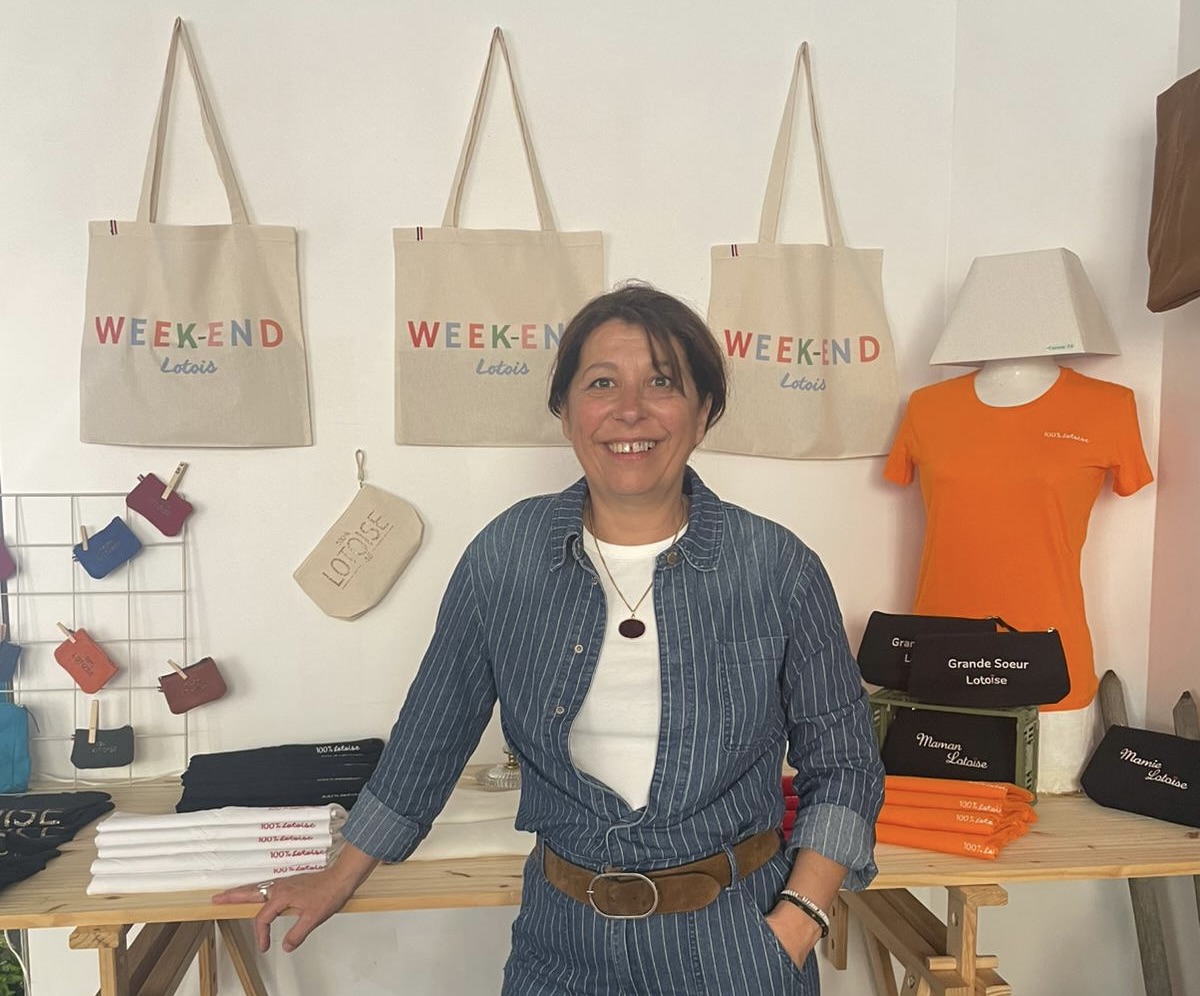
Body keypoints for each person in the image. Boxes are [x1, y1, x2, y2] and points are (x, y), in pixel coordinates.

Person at [215, 284, 884, 994]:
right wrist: (339, 875)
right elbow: (431, 737)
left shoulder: (777, 568)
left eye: (662, 382)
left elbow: (844, 764)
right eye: (602, 383)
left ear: (703, 412)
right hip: (561, 943)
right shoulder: (506, 558)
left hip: (737, 942)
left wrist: (798, 922)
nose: (630, 409)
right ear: (566, 412)